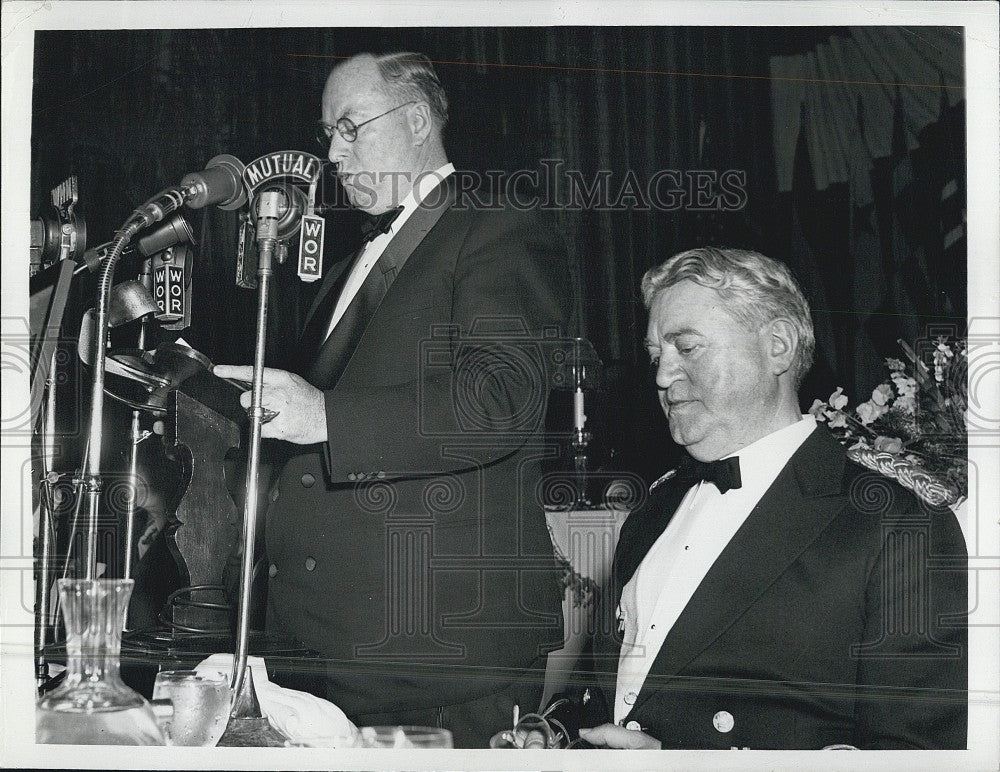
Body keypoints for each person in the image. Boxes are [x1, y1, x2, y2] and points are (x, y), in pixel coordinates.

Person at [214, 52, 572, 748]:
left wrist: (323, 414)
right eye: (328, 134)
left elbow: (502, 399)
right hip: (322, 649)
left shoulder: (497, 224)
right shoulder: (347, 269)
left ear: (414, 119)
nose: (333, 154)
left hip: (437, 657)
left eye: (349, 127)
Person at [571, 246, 967, 750]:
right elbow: (594, 694)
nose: (662, 377)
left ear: (777, 346)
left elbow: (919, 755)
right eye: (656, 356)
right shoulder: (652, 511)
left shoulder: (895, 526)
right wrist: (549, 733)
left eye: (686, 348)